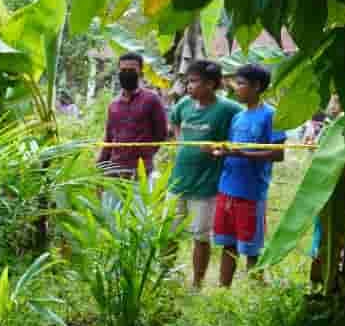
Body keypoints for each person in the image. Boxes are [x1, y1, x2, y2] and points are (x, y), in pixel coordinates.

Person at [208, 64, 286, 288]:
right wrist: (218, 152)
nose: (237, 88)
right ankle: (224, 290)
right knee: (227, 243)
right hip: (227, 188)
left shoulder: (271, 115)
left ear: (257, 86)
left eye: (241, 84)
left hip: (251, 192)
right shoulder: (238, 117)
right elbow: (232, 148)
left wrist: (243, 153)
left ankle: (255, 291)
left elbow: (278, 154)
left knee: (251, 247)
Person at [168, 59, 242, 289]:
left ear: (210, 84)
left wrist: (221, 150)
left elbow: (241, 134)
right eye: (187, 81)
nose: (189, 86)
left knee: (200, 235)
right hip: (178, 181)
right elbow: (175, 123)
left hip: (206, 186)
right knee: (167, 232)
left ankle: (197, 283)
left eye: (194, 82)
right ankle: (163, 275)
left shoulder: (229, 109)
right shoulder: (184, 105)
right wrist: (182, 142)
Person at [98, 52, 168, 181]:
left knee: (139, 201)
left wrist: (145, 157)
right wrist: (100, 166)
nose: (127, 73)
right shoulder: (114, 105)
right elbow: (108, 138)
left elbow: (161, 134)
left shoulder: (152, 100)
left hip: (140, 172)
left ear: (140, 72)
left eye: (131, 70)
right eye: (123, 70)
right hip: (114, 171)